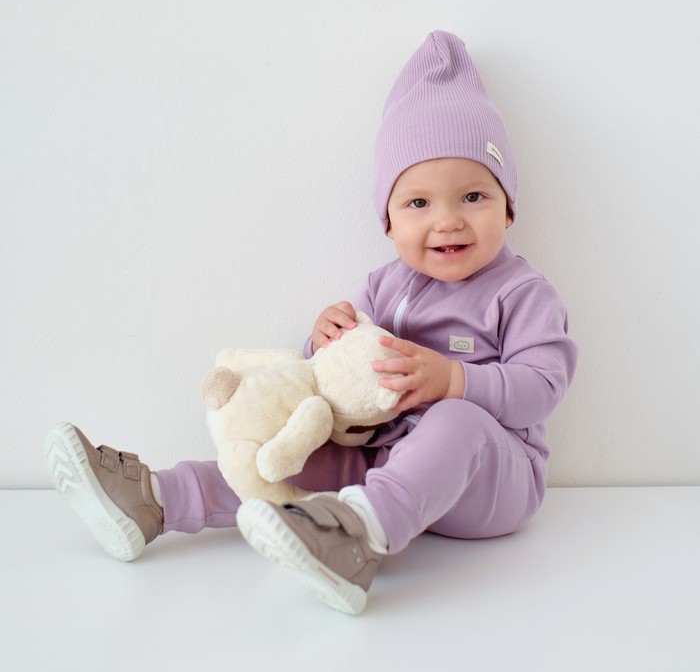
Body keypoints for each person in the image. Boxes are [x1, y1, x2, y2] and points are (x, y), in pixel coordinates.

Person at [45, 30, 578, 615]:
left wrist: (455, 380)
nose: (447, 220)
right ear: (388, 221)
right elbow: (337, 382)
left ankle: (357, 540)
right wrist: (321, 340)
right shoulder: (383, 286)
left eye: (473, 196)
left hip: (493, 480)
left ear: (508, 206)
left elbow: (542, 387)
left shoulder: (521, 292)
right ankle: (156, 499)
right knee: (289, 444)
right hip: (381, 459)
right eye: (419, 203)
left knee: (457, 421)